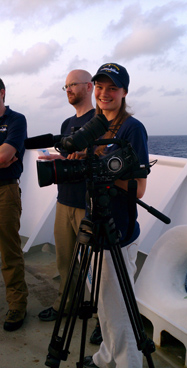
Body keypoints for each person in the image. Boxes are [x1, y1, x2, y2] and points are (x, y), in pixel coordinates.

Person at [82, 63, 150, 368]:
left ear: (124, 92)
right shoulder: (95, 125)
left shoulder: (131, 129)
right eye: (100, 86)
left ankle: (128, 363)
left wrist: (101, 168)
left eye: (112, 87)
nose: (104, 93)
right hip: (95, 226)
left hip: (118, 231)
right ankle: (106, 357)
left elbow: (139, 189)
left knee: (119, 309)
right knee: (104, 306)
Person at [38, 69, 95, 321]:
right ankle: (67, 305)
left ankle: (100, 317)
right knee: (65, 261)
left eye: (73, 84)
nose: (69, 89)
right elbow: (67, 157)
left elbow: (101, 158)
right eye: (66, 86)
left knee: (100, 265)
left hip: (89, 203)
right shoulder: (66, 124)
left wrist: (83, 155)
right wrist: (58, 159)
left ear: (89, 87)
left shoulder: (100, 121)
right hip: (65, 201)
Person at [0, 78, 28, 331]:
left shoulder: (16, 120)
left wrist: (4, 157)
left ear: (2, 93)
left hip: (5, 191)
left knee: (9, 250)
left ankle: (17, 305)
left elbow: (5, 157)